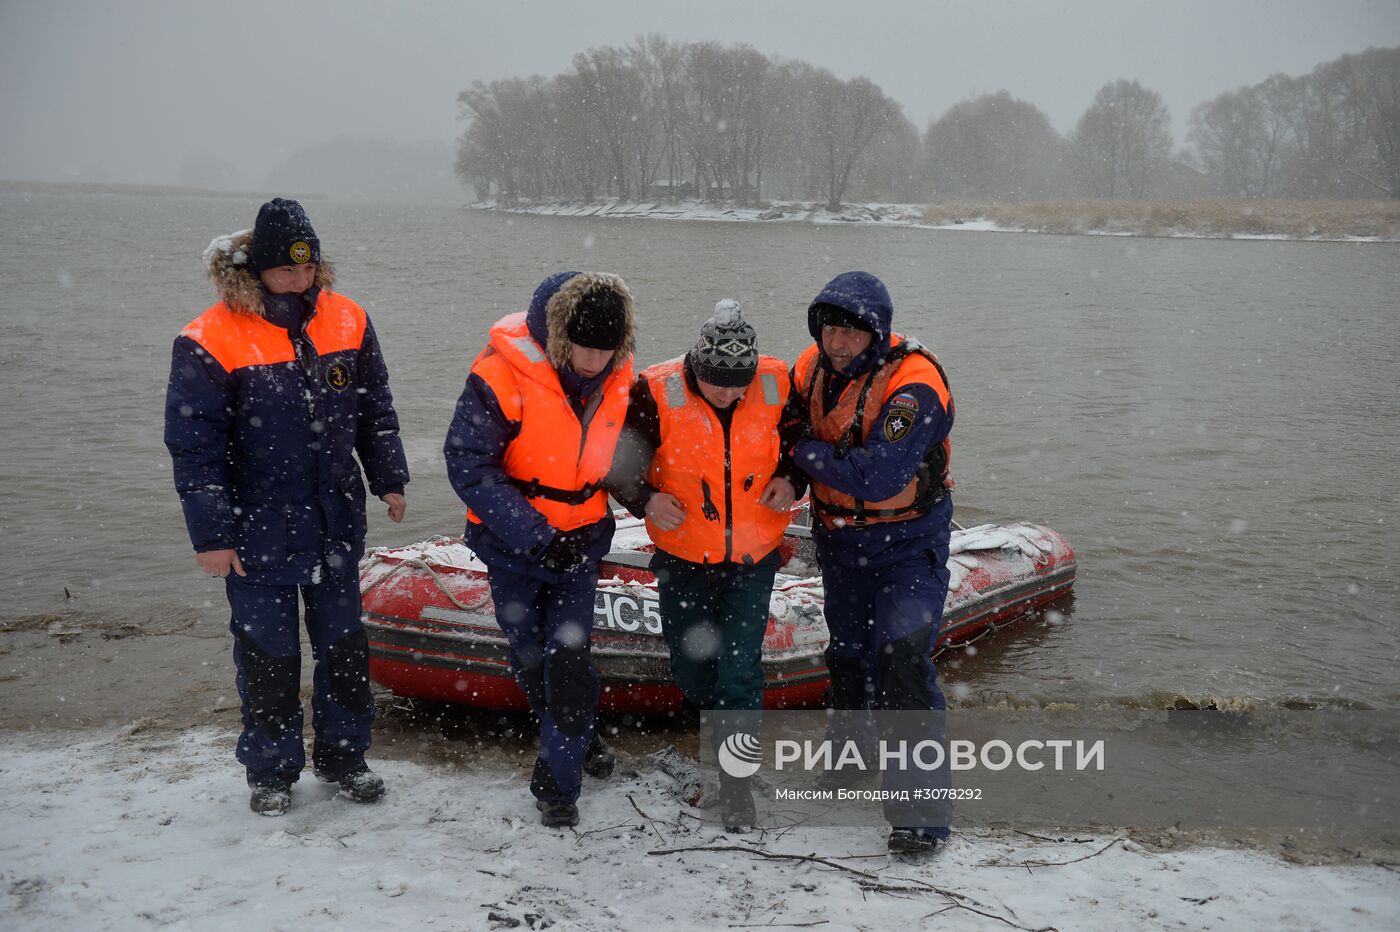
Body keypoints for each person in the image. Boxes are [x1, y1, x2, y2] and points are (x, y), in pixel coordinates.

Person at [164, 198, 410, 817]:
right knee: (269, 658)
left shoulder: (348, 319)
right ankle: (271, 770)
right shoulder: (207, 339)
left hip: (334, 521)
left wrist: (388, 479)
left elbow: (375, 409)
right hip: (255, 532)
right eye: (286, 271)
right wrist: (212, 537)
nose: (301, 281)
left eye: (309, 268)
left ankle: (345, 757)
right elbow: (195, 449)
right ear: (256, 269)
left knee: (345, 650)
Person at [444, 271, 637, 828]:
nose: (595, 361)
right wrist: (535, 536)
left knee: (569, 659)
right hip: (514, 547)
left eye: (607, 349)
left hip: (580, 544)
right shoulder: (499, 376)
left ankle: (558, 784)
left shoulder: (621, 378)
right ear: (559, 337)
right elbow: (468, 465)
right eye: (585, 348)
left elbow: (634, 455)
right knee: (531, 656)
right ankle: (585, 741)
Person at [608, 300, 805, 832]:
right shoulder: (657, 390)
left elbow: (800, 447)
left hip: (752, 552)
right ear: (696, 365)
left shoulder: (775, 383)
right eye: (716, 381)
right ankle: (711, 724)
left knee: (739, 667)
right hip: (683, 554)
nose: (727, 393)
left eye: (736, 383)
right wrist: (645, 498)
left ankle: (736, 786)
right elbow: (617, 462)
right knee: (692, 666)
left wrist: (793, 480)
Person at [787, 271, 955, 855]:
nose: (838, 343)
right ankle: (851, 759)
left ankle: (921, 815)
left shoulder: (915, 386)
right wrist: (795, 464)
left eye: (853, 334)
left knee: (903, 664)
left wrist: (803, 453)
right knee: (849, 657)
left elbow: (881, 476)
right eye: (830, 329)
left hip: (909, 546)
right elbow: (785, 424)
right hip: (840, 544)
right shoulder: (808, 368)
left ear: (877, 335)